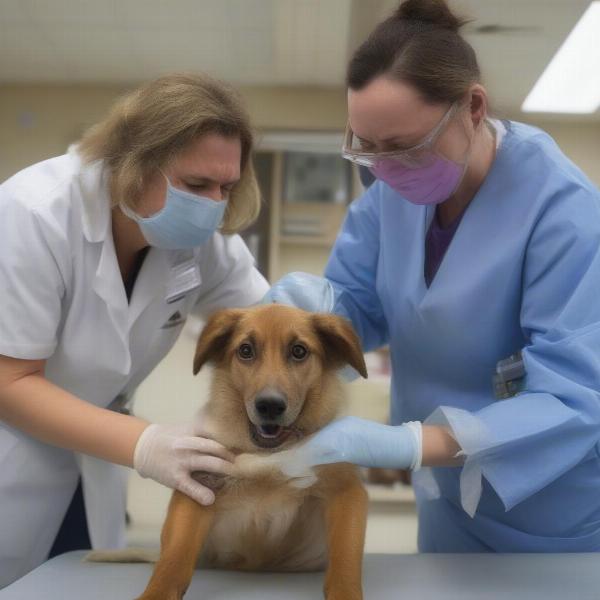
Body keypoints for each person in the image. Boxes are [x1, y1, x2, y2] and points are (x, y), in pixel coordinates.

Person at [265, 0, 600, 552]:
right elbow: (359, 309)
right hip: (446, 498)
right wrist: (303, 323)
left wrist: (413, 445)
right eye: (367, 149)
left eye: (404, 147)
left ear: (472, 107)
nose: (386, 169)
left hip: (550, 511)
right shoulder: (392, 194)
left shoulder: (563, 212)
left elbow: (574, 397)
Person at [0, 73, 269, 586]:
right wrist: (146, 444)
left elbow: (266, 317)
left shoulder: (196, 238)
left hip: (92, 459)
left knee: (78, 583)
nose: (213, 204)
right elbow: (8, 382)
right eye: (196, 185)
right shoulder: (34, 214)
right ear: (132, 164)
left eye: (226, 187)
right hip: (12, 451)